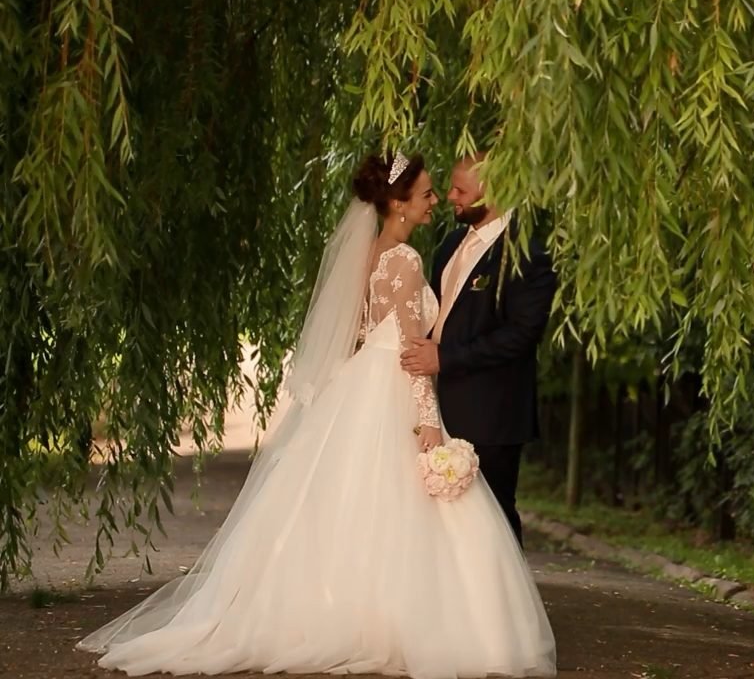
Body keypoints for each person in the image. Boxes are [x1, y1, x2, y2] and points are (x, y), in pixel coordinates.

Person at [76, 152, 557, 679]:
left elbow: (373, 336)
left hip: (380, 388)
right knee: (409, 513)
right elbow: (411, 353)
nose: (440, 200)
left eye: (452, 191)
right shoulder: (412, 258)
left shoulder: (378, 253)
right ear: (397, 202)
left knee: (357, 507)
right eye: (428, 194)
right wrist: (427, 425)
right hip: (398, 390)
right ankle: (425, 622)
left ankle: (345, 611)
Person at [401, 152, 556, 546]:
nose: (450, 196)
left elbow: (520, 335)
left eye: (460, 190)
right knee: (445, 524)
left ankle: (504, 606)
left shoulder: (527, 255)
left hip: (493, 411)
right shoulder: (450, 244)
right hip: (440, 406)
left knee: (493, 521)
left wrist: (445, 357)